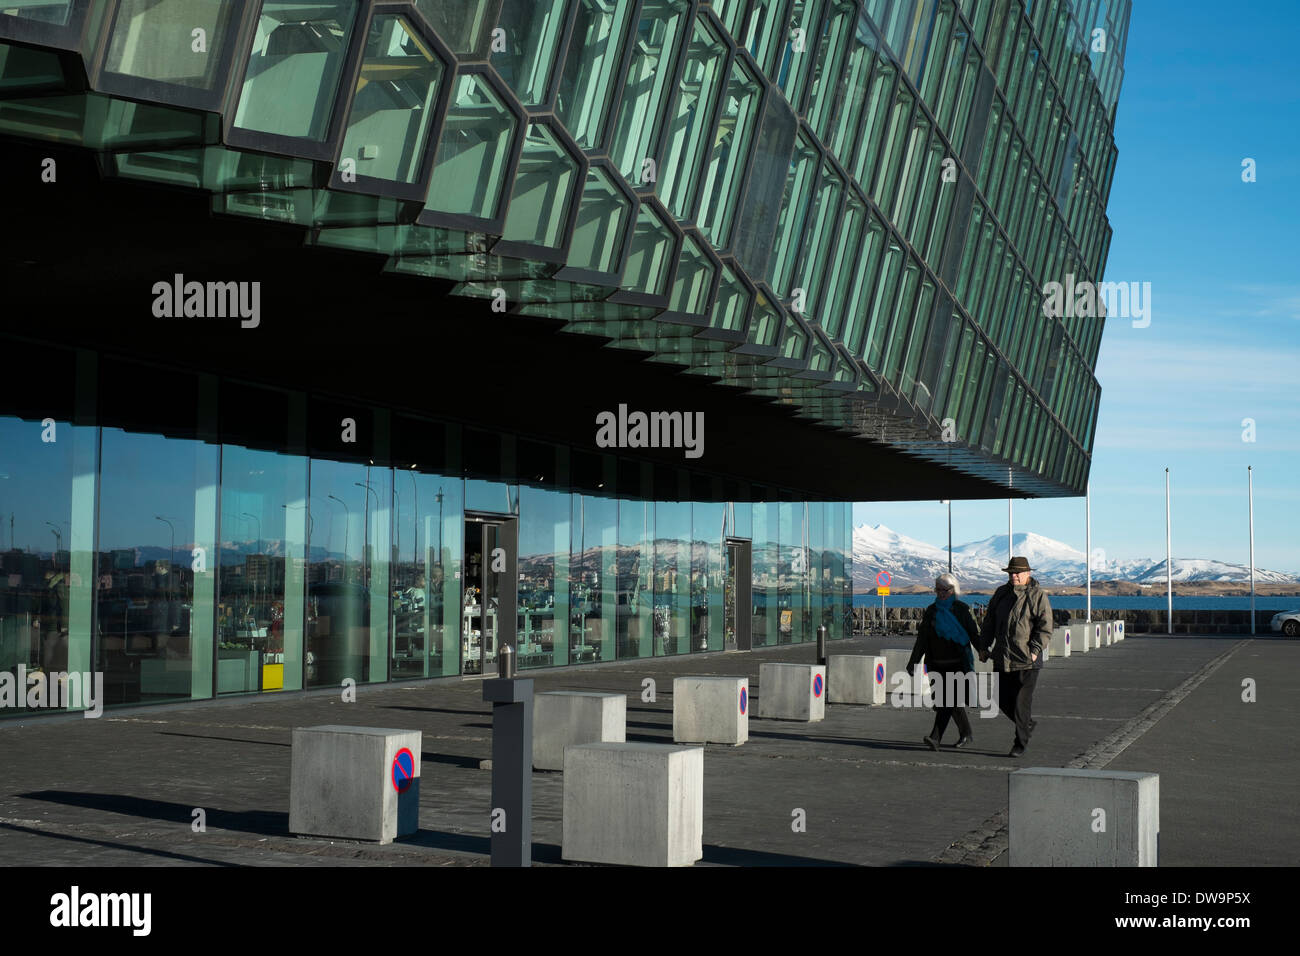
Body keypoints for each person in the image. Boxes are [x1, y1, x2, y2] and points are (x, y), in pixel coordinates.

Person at [976, 556, 1052, 757]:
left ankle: (1020, 742)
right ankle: (1026, 723)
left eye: (1017, 572)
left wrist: (1035, 650)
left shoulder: (1037, 596)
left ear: (1028, 573)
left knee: (1021, 702)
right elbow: (990, 622)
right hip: (1002, 657)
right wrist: (984, 646)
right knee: (1001, 699)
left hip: (1027, 660)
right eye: (1011, 572)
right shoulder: (1001, 593)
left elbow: (1045, 627)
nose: (1014, 576)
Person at [907, 572, 979, 750]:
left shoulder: (961, 609)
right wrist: (913, 662)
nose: (940, 593)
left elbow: (973, 633)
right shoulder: (932, 611)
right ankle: (966, 733)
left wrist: (984, 650)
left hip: (958, 664)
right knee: (946, 702)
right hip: (937, 665)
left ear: (953, 590)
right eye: (937, 589)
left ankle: (935, 738)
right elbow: (922, 639)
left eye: (944, 590)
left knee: (948, 701)